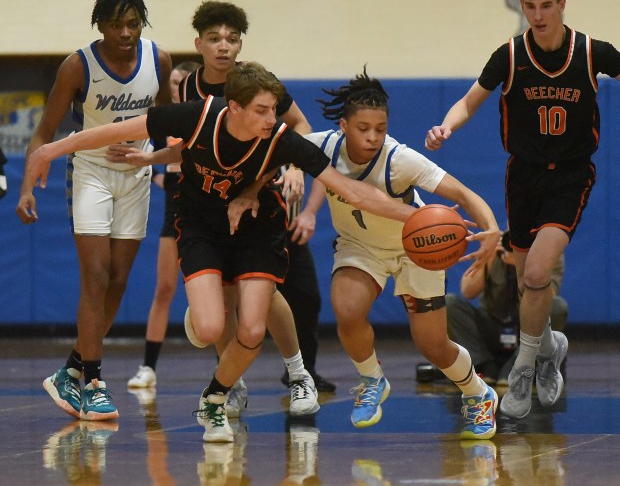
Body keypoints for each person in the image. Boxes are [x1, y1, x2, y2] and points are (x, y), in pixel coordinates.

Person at [26, 61, 418, 443]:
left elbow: (351, 190)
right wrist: (49, 151)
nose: (271, 119)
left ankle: (214, 397)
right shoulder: (196, 117)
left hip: (256, 230)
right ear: (235, 108)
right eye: (262, 111)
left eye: (274, 110)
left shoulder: (280, 139)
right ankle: (206, 310)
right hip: (202, 225)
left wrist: (413, 216)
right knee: (212, 328)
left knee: (251, 329)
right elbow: (110, 133)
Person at [125, 1, 331, 419]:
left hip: (256, 199)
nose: (224, 47)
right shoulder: (189, 88)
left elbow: (301, 130)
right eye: (215, 39)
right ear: (199, 43)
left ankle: (298, 373)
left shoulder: (258, 84)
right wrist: (150, 160)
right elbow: (185, 148)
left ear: (241, 45)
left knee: (266, 291)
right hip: (206, 201)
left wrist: (286, 170)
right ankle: (231, 383)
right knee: (223, 296)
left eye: (232, 39)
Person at [425, 0, 620, 419]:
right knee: (528, 283)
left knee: (535, 274)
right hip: (524, 177)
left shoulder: (592, 52)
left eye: (546, 5)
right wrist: (446, 126)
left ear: (562, 4)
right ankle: (550, 347)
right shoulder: (510, 55)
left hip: (570, 176)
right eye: (530, 5)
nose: (537, 15)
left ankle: (524, 371)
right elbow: (470, 101)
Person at [300, 68, 501, 439]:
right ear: (343, 125)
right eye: (363, 128)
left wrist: (490, 226)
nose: (373, 136)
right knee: (347, 310)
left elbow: (462, 195)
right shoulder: (321, 146)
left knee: (433, 346)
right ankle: (372, 379)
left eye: (380, 127)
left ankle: (478, 393)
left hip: (417, 249)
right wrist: (291, 172)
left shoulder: (399, 159)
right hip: (359, 247)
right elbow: (275, 148)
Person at [16, 0, 172, 421]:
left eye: (133, 24)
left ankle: (69, 370)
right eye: (116, 24)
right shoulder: (77, 65)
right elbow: (43, 132)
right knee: (96, 276)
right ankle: (95, 383)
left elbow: (169, 127)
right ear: (100, 26)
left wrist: (156, 160)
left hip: (136, 175)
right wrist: (27, 187)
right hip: (90, 174)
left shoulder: (158, 61)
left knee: (119, 280)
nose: (125, 32)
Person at [126, 60, 200, 392]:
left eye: (182, 81)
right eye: (172, 81)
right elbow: (154, 168)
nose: (175, 86)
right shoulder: (164, 122)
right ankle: (148, 367)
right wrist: (163, 174)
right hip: (174, 215)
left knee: (214, 295)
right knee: (164, 289)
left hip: (205, 215)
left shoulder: (207, 120)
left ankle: (229, 373)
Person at [445, 230, 568, 385]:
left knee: (557, 307)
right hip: (492, 324)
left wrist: (521, 265)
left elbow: (545, 300)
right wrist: (488, 259)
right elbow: (467, 291)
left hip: (527, 329)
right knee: (450, 303)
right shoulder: (495, 244)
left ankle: (518, 365)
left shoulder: (548, 250)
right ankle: (484, 364)